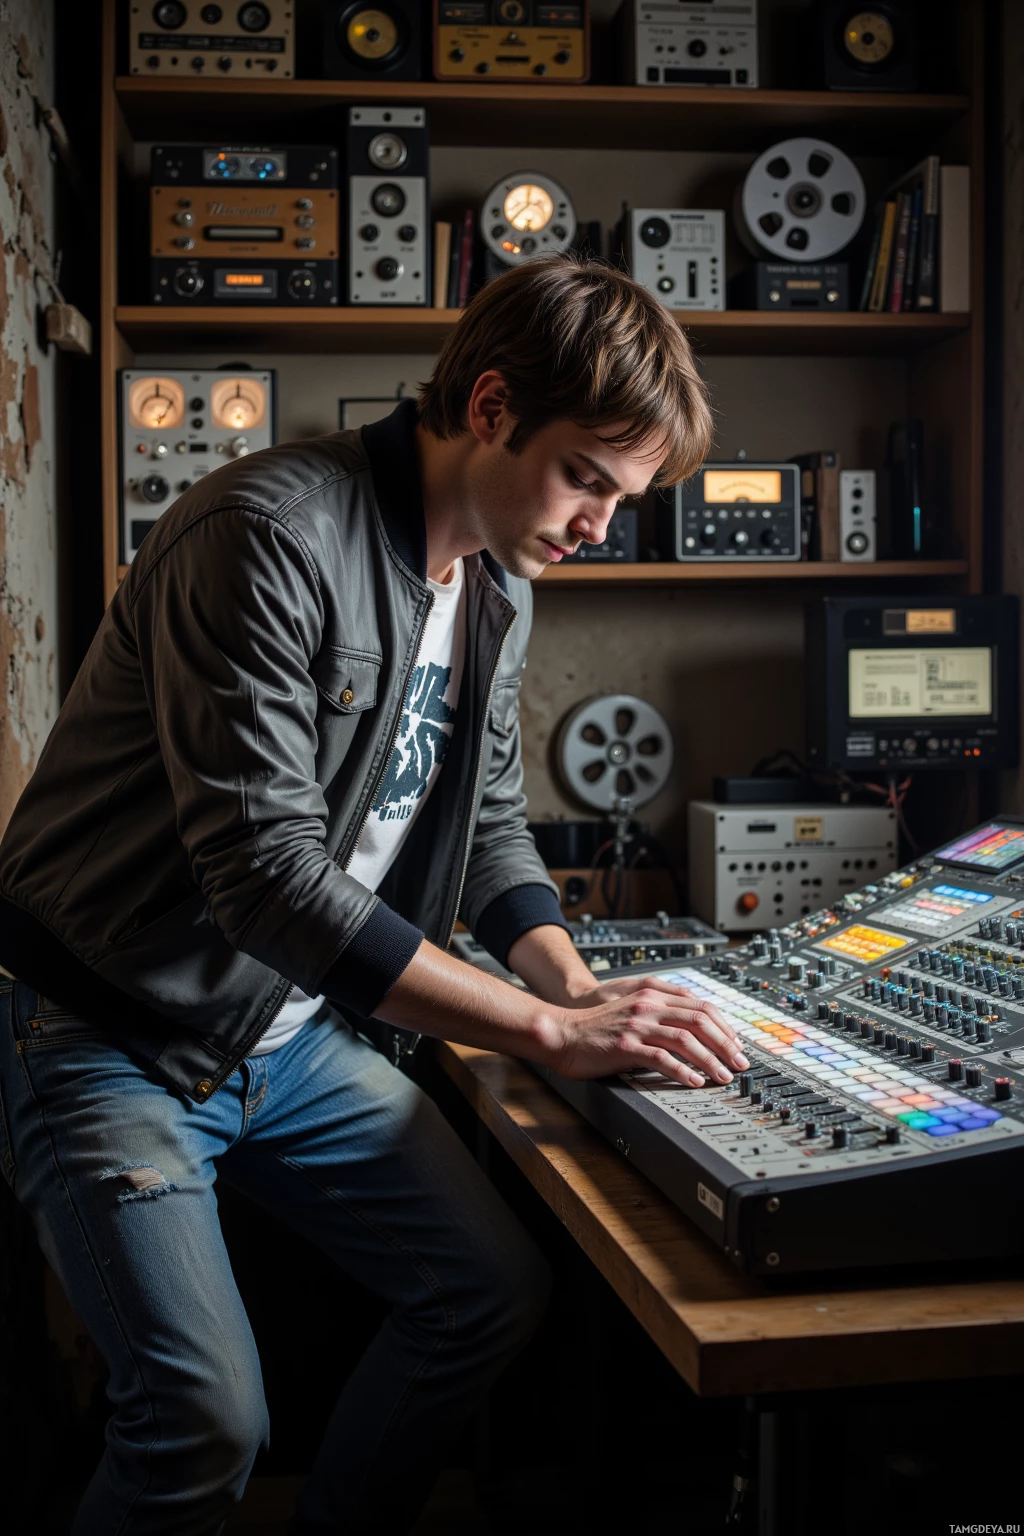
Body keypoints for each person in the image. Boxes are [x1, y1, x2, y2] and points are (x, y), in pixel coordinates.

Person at [0, 255, 745, 1535]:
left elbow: (491, 819)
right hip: (111, 1038)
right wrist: (546, 1034)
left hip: (284, 1039)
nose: (597, 526)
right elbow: (269, 881)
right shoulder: (268, 535)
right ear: (494, 407)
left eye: (621, 500)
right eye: (587, 480)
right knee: (201, 1424)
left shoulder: (497, 583)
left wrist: (569, 981)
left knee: (489, 1292)